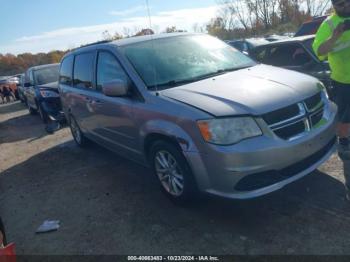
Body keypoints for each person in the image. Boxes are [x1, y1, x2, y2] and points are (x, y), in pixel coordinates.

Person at [313, 0, 350, 199]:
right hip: (344, 85)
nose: (342, 7)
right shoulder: (328, 25)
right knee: (345, 132)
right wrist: (336, 35)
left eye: (345, 3)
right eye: (338, 4)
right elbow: (319, 51)